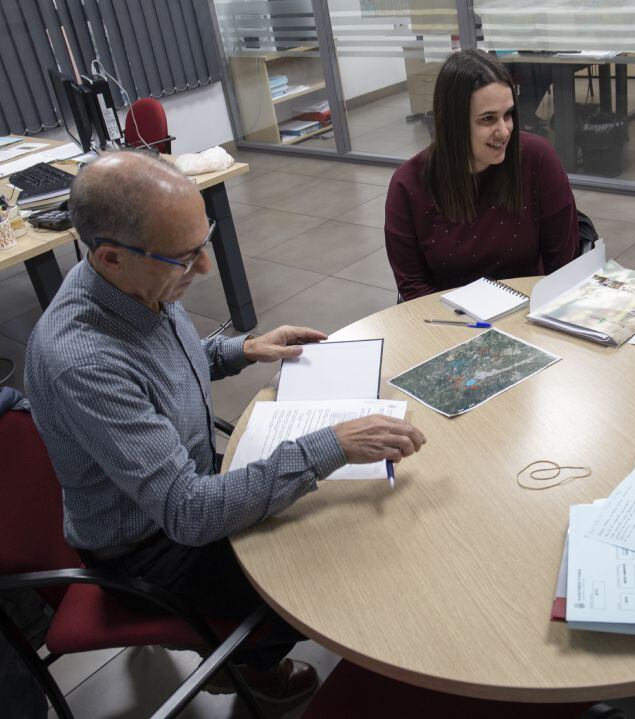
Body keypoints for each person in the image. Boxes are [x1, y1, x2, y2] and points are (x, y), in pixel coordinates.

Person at [23, 151, 427, 706]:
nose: (206, 268)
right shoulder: (85, 360)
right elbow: (189, 514)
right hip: (149, 545)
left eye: (203, 242)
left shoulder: (132, 282)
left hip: (183, 483)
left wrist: (239, 349)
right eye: (186, 257)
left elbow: (162, 366)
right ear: (111, 257)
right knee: (331, 569)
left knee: (341, 510)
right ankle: (247, 665)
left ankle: (245, 652)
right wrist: (331, 444)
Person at [385, 49, 579, 301]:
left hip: (529, 315)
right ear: (453, 122)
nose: (504, 131)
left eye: (508, 115)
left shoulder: (537, 159)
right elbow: (414, 289)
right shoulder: (408, 185)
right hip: (449, 323)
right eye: (488, 119)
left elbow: (563, 268)